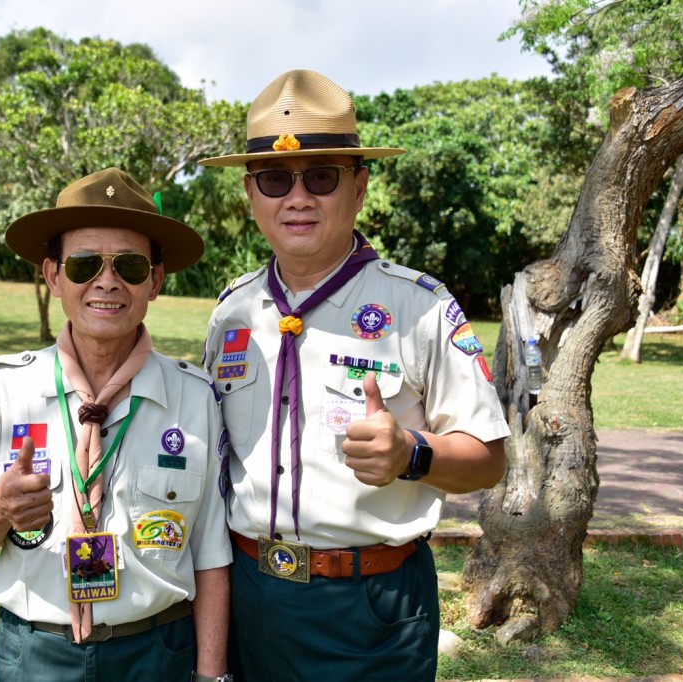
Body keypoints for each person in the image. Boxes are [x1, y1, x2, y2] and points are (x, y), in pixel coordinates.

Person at [199, 70, 511, 681]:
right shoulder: (231, 311)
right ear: (250, 194)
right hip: (249, 595)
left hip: (370, 607)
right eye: (274, 179)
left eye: (321, 177)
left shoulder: (419, 306)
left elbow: (490, 458)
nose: (298, 198)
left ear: (359, 186)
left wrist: (411, 454)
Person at [0, 167, 234, 682]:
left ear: (155, 281)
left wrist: (210, 675)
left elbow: (210, 553)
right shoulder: (0, 390)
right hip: (35, 652)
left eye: (131, 266)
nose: (107, 281)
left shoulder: (195, 397)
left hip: (158, 651)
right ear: (53, 276)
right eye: (85, 263)